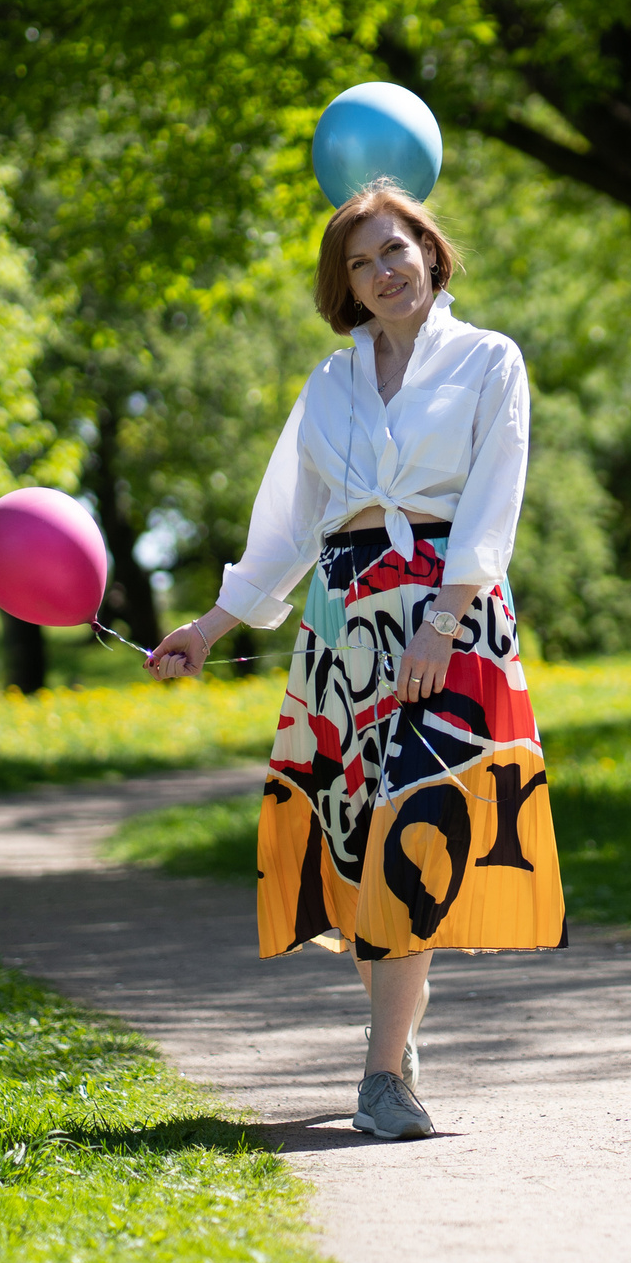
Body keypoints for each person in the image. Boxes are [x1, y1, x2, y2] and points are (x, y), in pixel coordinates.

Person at [147, 181, 566, 1141]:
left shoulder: (489, 360)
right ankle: (397, 1033)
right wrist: (208, 628)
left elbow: (493, 502)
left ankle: (381, 1079)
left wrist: (443, 620)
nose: (384, 272)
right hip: (343, 626)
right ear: (346, 283)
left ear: (432, 251)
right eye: (362, 261)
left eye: (396, 249)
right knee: (353, 838)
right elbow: (288, 526)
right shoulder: (329, 386)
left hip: (446, 615)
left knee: (417, 824)